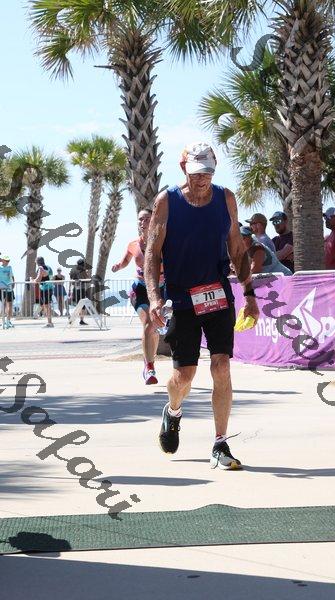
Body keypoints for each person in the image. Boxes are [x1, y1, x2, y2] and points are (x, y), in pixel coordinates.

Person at [145, 141, 259, 470]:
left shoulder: (226, 198)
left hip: (218, 294)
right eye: (196, 173)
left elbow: (237, 248)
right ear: (184, 169)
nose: (202, 179)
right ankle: (173, 411)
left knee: (221, 366)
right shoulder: (167, 201)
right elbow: (153, 253)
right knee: (184, 376)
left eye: (208, 172)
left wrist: (249, 294)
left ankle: (220, 443)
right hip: (182, 298)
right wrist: (154, 298)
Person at [112, 209, 165, 385]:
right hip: (140, 288)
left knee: (155, 327)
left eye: (147, 219)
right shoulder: (133, 245)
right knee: (149, 323)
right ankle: (149, 367)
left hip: (160, 289)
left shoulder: (164, 241)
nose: (143, 222)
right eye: (140, 219)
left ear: (154, 219)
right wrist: (118, 266)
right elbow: (126, 261)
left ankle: (149, 359)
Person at [32, 257, 54, 327]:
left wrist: (32, 280)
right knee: (44, 305)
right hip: (50, 287)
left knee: (47, 305)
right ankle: (38, 315)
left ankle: (49, 322)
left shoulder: (40, 268)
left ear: (37, 262)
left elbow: (38, 279)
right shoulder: (49, 267)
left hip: (45, 289)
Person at [69, 259, 90, 326]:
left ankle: (74, 318)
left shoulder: (73, 270)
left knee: (78, 305)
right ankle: (80, 320)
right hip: (81, 289)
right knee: (82, 305)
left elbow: (71, 280)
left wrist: (69, 290)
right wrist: (87, 273)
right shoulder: (82, 270)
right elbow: (87, 279)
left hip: (75, 289)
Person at [0, 255, 15, 329]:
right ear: (2, 260)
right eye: (6, 260)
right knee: (3, 305)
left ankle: (8, 321)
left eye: (8, 260)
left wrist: (13, 284)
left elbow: (12, 276)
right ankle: (3, 321)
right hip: (1, 288)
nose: (7, 262)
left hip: (9, 288)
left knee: (10, 305)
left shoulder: (10, 267)